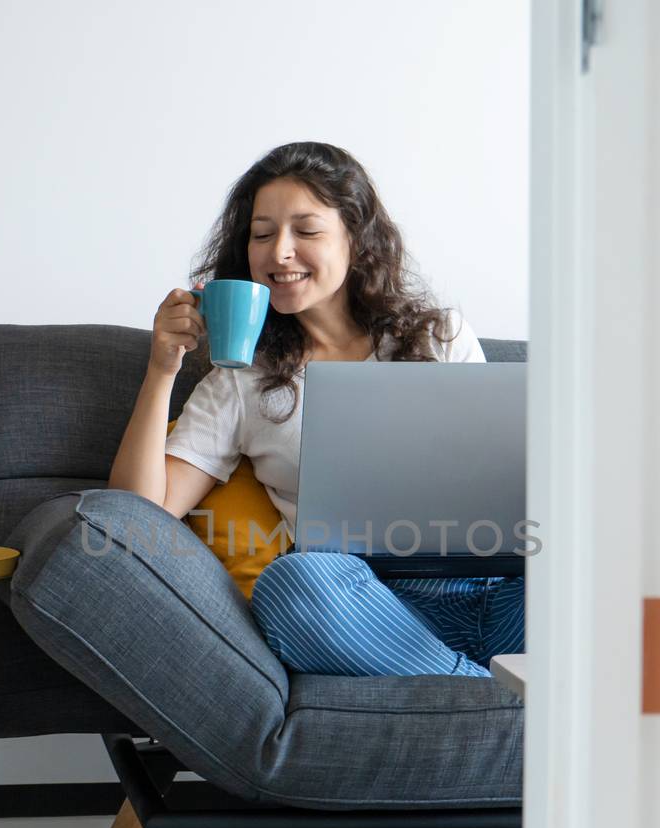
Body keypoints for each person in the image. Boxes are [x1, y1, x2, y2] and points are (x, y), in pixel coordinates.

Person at [107, 141, 524, 678]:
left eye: (305, 231)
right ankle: (492, 695)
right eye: (261, 234)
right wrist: (162, 368)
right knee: (294, 583)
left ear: (357, 238)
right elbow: (137, 514)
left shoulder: (441, 337)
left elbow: (500, 479)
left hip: (497, 593)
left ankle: (472, 693)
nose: (279, 252)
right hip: (364, 611)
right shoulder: (242, 379)